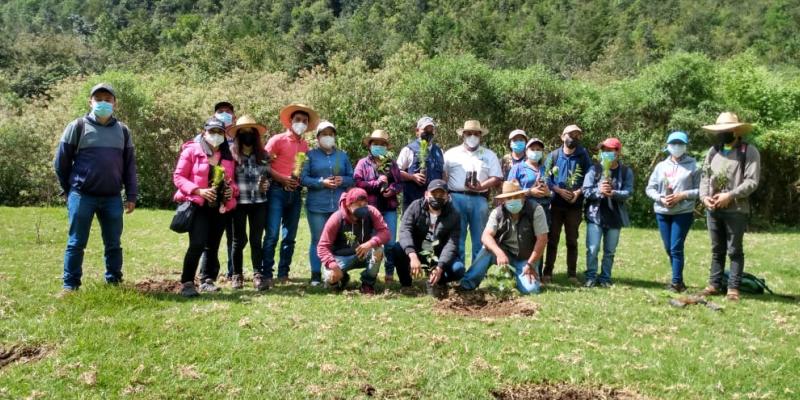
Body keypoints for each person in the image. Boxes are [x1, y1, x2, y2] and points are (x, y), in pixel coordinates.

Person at [54, 83, 138, 294]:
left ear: (115, 104)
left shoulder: (123, 131)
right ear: (89, 102)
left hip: (112, 198)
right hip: (82, 196)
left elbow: (129, 166)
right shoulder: (78, 126)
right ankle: (70, 286)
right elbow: (61, 163)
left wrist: (131, 194)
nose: (103, 103)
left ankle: (114, 283)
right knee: (76, 243)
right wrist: (70, 189)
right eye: (98, 99)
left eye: (108, 100)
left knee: (113, 244)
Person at [173, 118, 238, 297]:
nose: (216, 136)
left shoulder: (228, 156)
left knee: (213, 245)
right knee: (197, 243)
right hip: (198, 205)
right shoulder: (192, 151)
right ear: (204, 133)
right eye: (212, 132)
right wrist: (198, 190)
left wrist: (230, 191)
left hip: (219, 207)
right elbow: (179, 177)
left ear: (225, 136)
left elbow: (234, 183)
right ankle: (187, 282)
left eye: (220, 132)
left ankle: (207, 280)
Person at [699, 112, 760, 302]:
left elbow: (752, 181)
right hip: (714, 209)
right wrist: (704, 198)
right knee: (717, 249)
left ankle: (733, 288)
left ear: (735, 130)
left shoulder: (748, 151)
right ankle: (714, 284)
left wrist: (730, 195)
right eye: (719, 131)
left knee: (734, 250)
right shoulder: (713, 151)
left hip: (736, 210)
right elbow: (704, 177)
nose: (722, 133)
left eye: (725, 130)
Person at [262, 103, 319, 285]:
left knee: (290, 236)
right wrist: (282, 179)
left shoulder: (305, 145)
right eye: (298, 120)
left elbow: (304, 170)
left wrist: (297, 181)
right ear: (290, 122)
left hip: (294, 193)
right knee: (271, 234)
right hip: (276, 191)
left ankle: (283, 272)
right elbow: (264, 165)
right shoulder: (277, 140)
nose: (301, 123)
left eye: (304, 121)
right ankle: (266, 273)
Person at [460, 181, 548, 294]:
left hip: (527, 258)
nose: (513, 200)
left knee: (531, 290)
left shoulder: (536, 210)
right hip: (505, 253)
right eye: (509, 198)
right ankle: (467, 284)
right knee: (486, 249)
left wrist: (531, 264)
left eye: (516, 196)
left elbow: (542, 239)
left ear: (523, 196)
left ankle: (517, 274)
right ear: (503, 200)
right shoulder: (497, 213)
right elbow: (486, 236)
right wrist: (499, 253)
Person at [645, 131, 700, 292]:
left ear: (685, 146)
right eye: (674, 143)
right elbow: (650, 188)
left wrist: (683, 195)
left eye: (680, 144)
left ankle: (676, 282)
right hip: (662, 212)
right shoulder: (661, 166)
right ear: (668, 146)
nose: (677, 147)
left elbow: (701, 190)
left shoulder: (693, 165)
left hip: (683, 212)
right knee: (669, 248)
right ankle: (679, 281)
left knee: (676, 247)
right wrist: (661, 198)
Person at [301, 120, 354, 286]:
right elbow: (303, 178)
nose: (328, 137)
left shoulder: (342, 156)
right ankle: (316, 275)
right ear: (318, 137)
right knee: (318, 240)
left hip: (338, 207)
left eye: (331, 134)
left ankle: (335, 274)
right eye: (324, 134)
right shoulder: (310, 156)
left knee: (337, 241)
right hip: (317, 206)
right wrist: (321, 182)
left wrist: (342, 180)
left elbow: (352, 178)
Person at [443, 120, 503, 264]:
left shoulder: (489, 154)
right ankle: (458, 268)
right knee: (458, 235)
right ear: (463, 135)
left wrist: (482, 186)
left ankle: (478, 270)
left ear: (481, 136)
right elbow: (444, 176)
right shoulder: (451, 153)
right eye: (469, 133)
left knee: (481, 236)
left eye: (476, 134)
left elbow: (497, 177)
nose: (472, 136)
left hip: (479, 199)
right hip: (456, 198)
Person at [392, 180, 463, 298]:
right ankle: (406, 284)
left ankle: (438, 281)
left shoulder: (454, 214)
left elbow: (452, 244)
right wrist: (412, 255)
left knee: (458, 269)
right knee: (397, 249)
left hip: (438, 254)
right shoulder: (415, 207)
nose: (437, 197)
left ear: (447, 196)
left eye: (441, 195)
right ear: (426, 194)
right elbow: (405, 230)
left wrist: (440, 267)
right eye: (434, 194)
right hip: (418, 250)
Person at [542, 124, 593, 284]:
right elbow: (546, 177)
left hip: (574, 206)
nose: (574, 138)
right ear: (563, 136)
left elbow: (589, 175)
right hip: (556, 204)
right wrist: (557, 189)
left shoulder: (583, 155)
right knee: (552, 239)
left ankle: (572, 274)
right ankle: (547, 272)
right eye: (571, 135)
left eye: (577, 135)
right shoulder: (553, 156)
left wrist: (578, 192)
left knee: (572, 240)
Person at [581, 138, 633, 288]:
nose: (606, 153)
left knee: (609, 251)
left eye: (610, 151)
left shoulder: (625, 171)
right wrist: (599, 191)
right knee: (593, 248)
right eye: (603, 151)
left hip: (615, 217)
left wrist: (613, 193)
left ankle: (605, 278)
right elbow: (586, 190)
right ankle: (590, 276)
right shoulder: (594, 170)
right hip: (595, 216)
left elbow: (628, 192)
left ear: (618, 152)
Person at [317, 188, 390, 294]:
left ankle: (367, 284)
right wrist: (332, 265)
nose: (363, 208)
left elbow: (385, 233)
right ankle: (339, 281)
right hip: (341, 256)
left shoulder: (371, 211)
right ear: (348, 205)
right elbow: (322, 246)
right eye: (358, 205)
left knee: (378, 250)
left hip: (363, 253)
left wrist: (370, 243)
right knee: (330, 276)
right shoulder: (336, 218)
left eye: (364, 205)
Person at [354, 129, 402, 283]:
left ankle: (389, 273)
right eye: (375, 143)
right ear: (370, 145)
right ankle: (370, 274)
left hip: (389, 208)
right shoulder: (363, 163)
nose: (379, 146)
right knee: (371, 241)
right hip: (370, 208)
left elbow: (399, 183)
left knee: (390, 242)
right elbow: (358, 182)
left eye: (382, 144)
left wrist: (392, 190)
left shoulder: (391, 163)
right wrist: (377, 183)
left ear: (387, 147)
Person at [228, 115, 271, 291]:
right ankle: (236, 275)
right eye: (243, 132)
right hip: (239, 202)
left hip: (259, 202)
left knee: (256, 240)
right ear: (238, 135)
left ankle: (257, 274)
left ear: (255, 134)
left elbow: (267, 178)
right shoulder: (231, 153)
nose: (247, 134)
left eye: (250, 131)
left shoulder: (264, 155)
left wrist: (266, 184)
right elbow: (227, 178)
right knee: (238, 240)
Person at [200, 101, 238, 280]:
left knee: (234, 237)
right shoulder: (202, 140)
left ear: (234, 116)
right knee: (208, 239)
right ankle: (206, 274)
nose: (224, 113)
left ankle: (233, 272)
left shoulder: (240, 137)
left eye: (228, 111)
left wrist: (232, 189)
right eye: (220, 111)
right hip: (207, 196)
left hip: (234, 195)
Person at [507, 137, 552, 276]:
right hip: (524, 210)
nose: (536, 152)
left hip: (543, 210)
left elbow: (553, 191)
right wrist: (529, 191)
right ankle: (514, 270)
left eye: (539, 150)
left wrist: (548, 192)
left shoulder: (546, 169)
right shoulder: (518, 168)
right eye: (533, 149)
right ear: (526, 151)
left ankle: (536, 271)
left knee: (541, 239)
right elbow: (509, 190)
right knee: (522, 239)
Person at [397, 116, 445, 211]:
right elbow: (397, 172)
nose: (428, 132)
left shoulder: (439, 151)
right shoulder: (408, 150)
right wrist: (412, 177)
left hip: (435, 203)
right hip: (414, 202)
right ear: (417, 131)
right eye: (425, 129)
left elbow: (443, 174)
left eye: (431, 129)